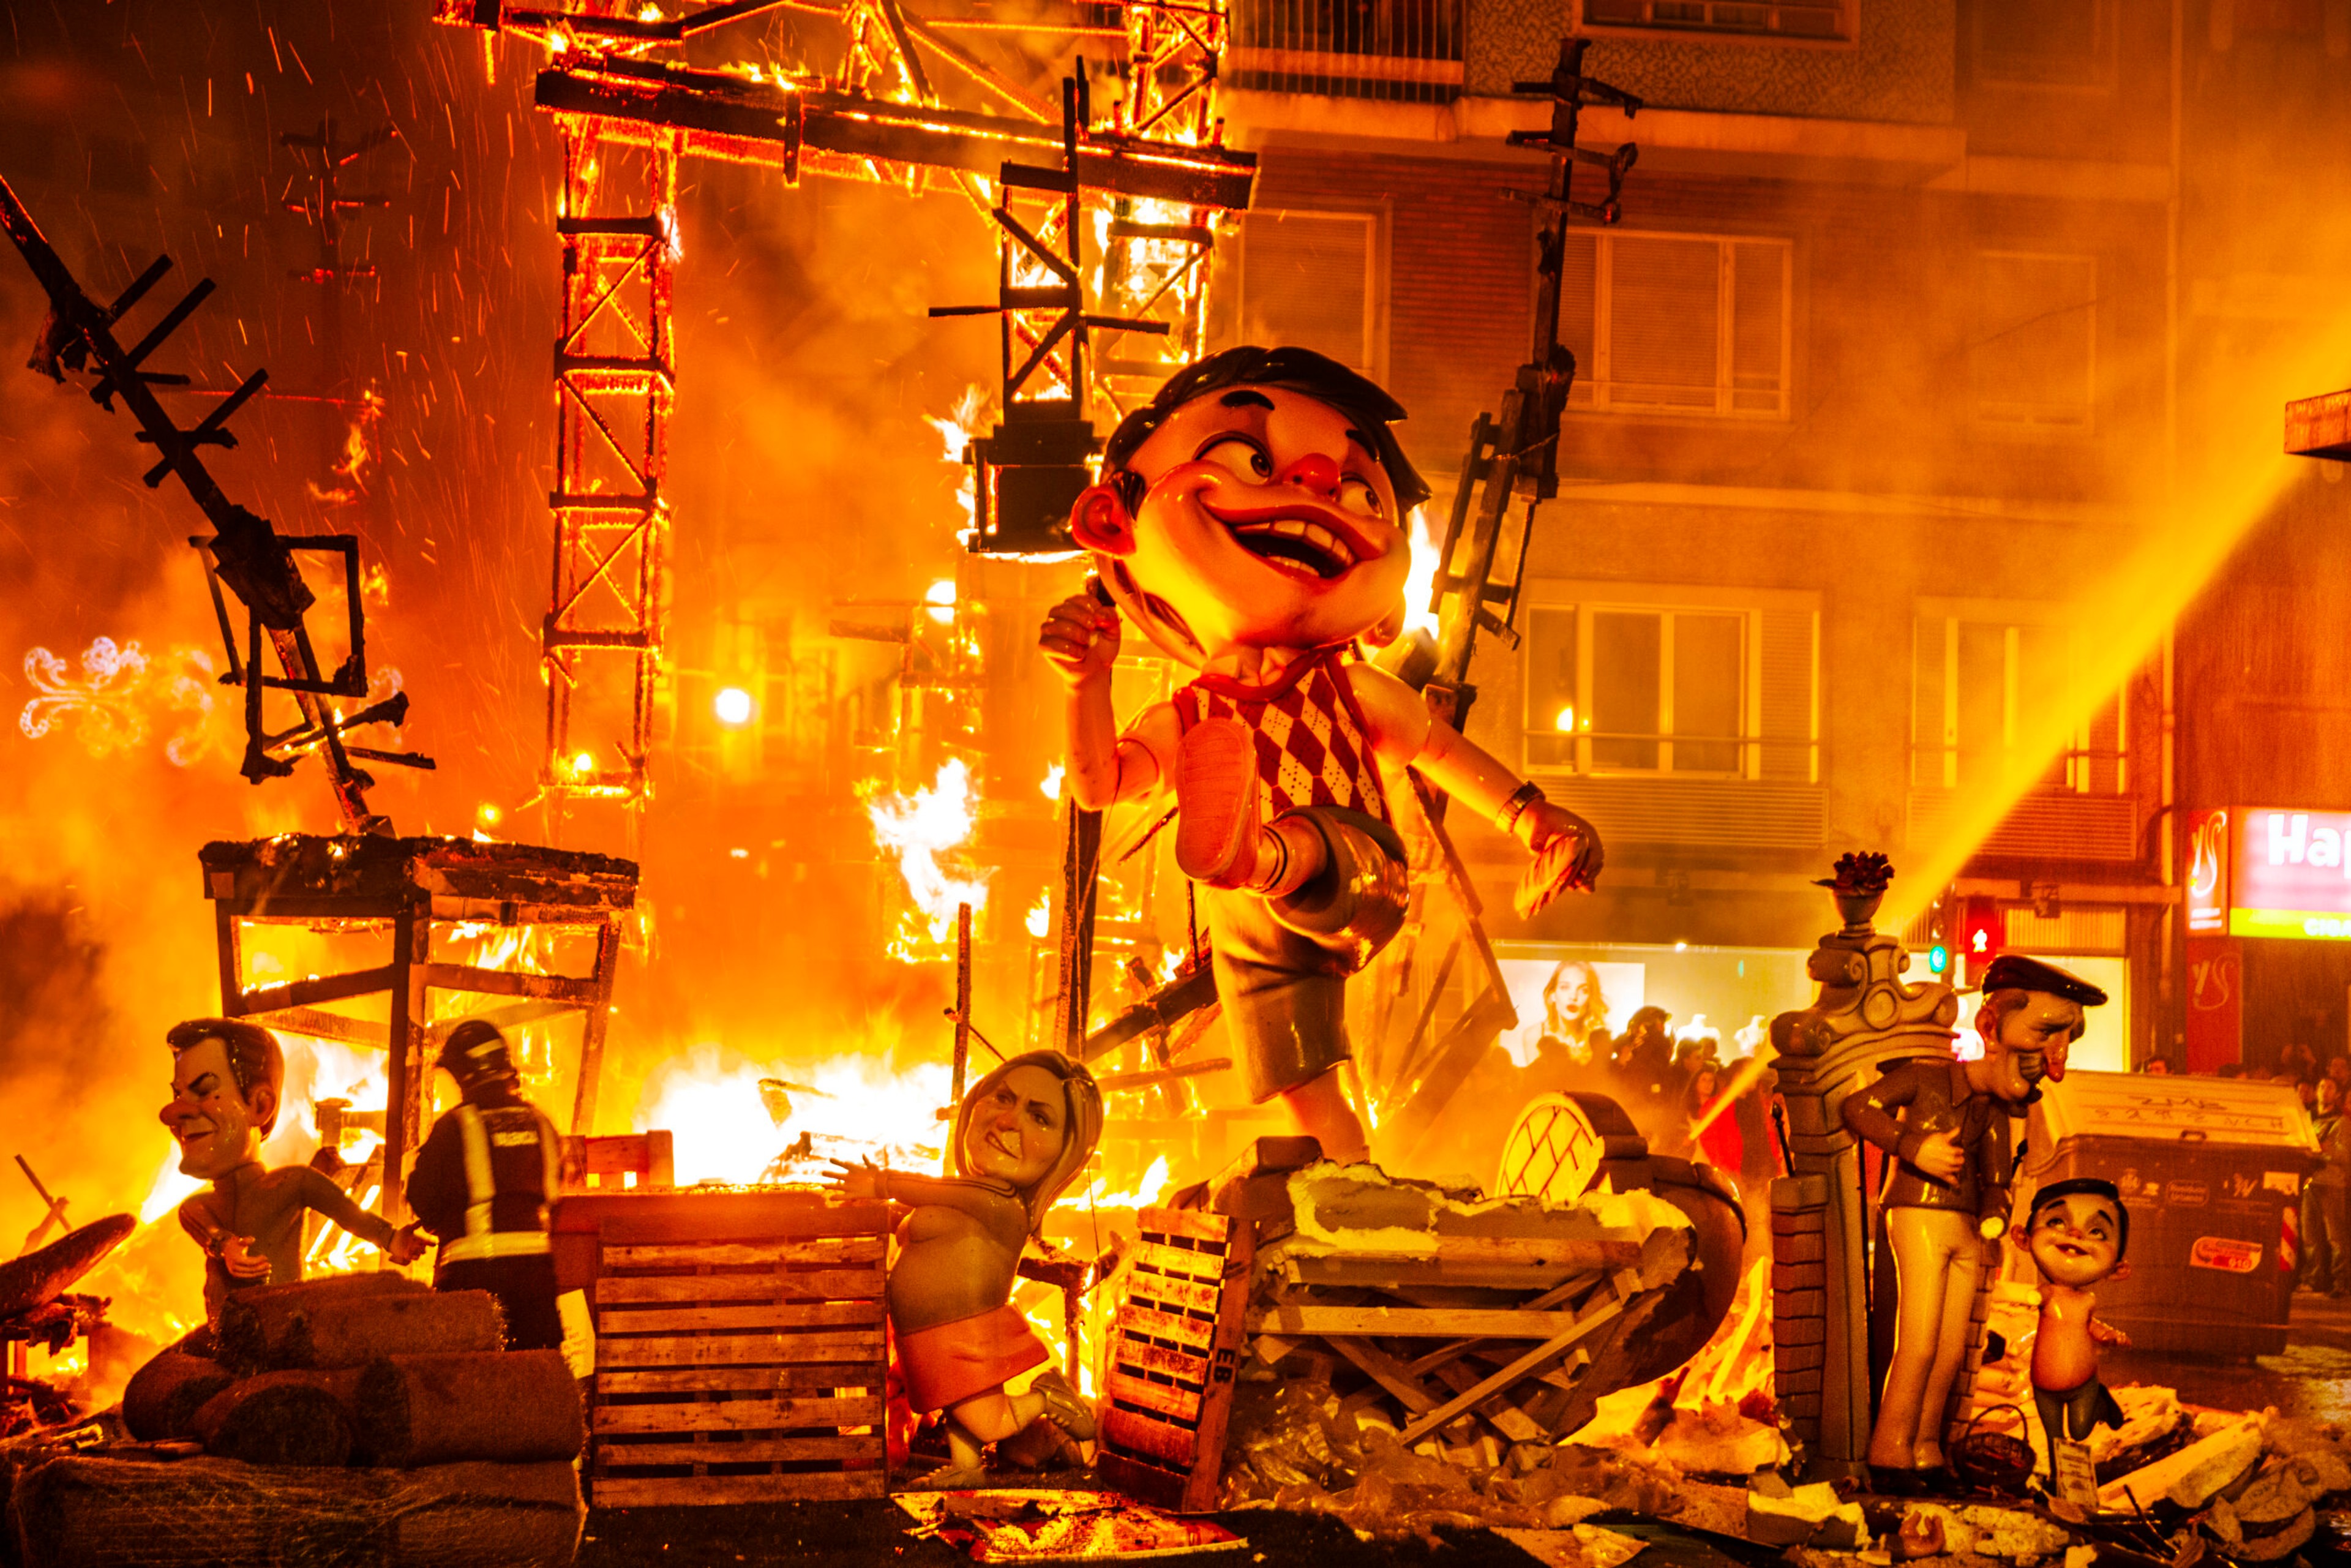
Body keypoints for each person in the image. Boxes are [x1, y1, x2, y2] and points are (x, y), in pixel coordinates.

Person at [1038, 346, 1602, 1163]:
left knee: (1310, 848)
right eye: (1247, 457)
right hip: (1248, 936)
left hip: (1356, 868)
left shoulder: (1351, 691)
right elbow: (1098, 786)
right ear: (1111, 521)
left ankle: (1260, 850)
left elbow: (1438, 749)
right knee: (1304, 1091)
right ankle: (1350, 1186)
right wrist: (1083, 684)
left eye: (1355, 490)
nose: (1309, 485)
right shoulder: (1192, 712)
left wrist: (1533, 817)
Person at [1840, 954, 2106, 1487]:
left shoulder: (1993, 1112)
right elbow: (1858, 1107)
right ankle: (1890, 1445)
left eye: (2065, 1041)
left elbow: (1996, 1181)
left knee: (1950, 1348)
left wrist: (1997, 1214)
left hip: (1965, 1229)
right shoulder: (1925, 1080)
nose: (2052, 1059)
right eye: (2045, 1031)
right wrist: (1912, 1144)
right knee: (1914, 1341)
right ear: (1991, 1024)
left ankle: (1925, 1448)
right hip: (1917, 1214)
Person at [829, 1052, 1103, 1487]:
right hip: (927, 1332)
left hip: (963, 1331)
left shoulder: (1003, 1204)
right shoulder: (971, 1196)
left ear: (1065, 1149)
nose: (1008, 1121)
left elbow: (928, 1188)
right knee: (955, 1402)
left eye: (1040, 1117)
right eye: (1003, 1098)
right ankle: (966, 1465)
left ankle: (1047, 1398)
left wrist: (880, 1183)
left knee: (989, 1420)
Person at [159, 1018, 425, 1322]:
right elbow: (212, 1233)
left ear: (260, 1105)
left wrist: (392, 1239)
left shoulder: (292, 1183)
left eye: (204, 1090)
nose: (173, 1114)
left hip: (286, 1330)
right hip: (228, 1339)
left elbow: (348, 1214)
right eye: (177, 1095)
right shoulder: (197, 1207)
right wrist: (226, 1247)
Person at [403, 1020, 579, 1351]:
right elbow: (556, 1198)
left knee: (470, 1382)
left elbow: (421, 1195)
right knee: (536, 1376)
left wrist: (442, 1224)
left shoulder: (454, 1126)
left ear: (467, 1074)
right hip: (536, 1281)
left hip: (473, 1280)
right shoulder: (541, 1122)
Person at [2014, 1177, 2132, 1498]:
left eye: (2097, 1232)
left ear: (2118, 1268)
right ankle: (2058, 1482)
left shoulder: (2086, 1301)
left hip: (2083, 1383)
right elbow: (2027, 1300)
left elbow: (2089, 1326)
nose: (2076, 1234)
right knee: (2055, 1437)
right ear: (2023, 1239)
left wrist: (2109, 1335)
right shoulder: (2043, 1295)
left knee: (2079, 1432)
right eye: (2057, 1222)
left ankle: (2099, 1403)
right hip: (2044, 1383)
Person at [1521, 961, 1610, 1097]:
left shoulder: (1597, 1040)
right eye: (1565, 987)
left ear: (1591, 998)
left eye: (1583, 990)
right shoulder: (1535, 1035)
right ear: (1552, 995)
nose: (1573, 997)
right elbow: (1534, 1094)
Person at [2303, 1078, 2350, 1297]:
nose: (2324, 1091)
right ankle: (2316, 1280)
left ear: (2337, 1094)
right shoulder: (2307, 1119)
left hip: (2331, 1182)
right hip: (2309, 1182)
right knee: (2310, 1235)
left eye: (2330, 1087)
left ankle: (2340, 1281)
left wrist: (2323, 1151)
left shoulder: (2341, 1122)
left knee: (2335, 1236)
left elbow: (2345, 1156)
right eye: (2321, 1086)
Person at [1684, 1064, 1742, 1174]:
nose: (1708, 1084)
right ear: (1695, 1083)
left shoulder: (1719, 1106)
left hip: (1719, 1160)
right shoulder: (1687, 1110)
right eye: (1704, 1080)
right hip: (1697, 1160)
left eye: (1711, 1080)